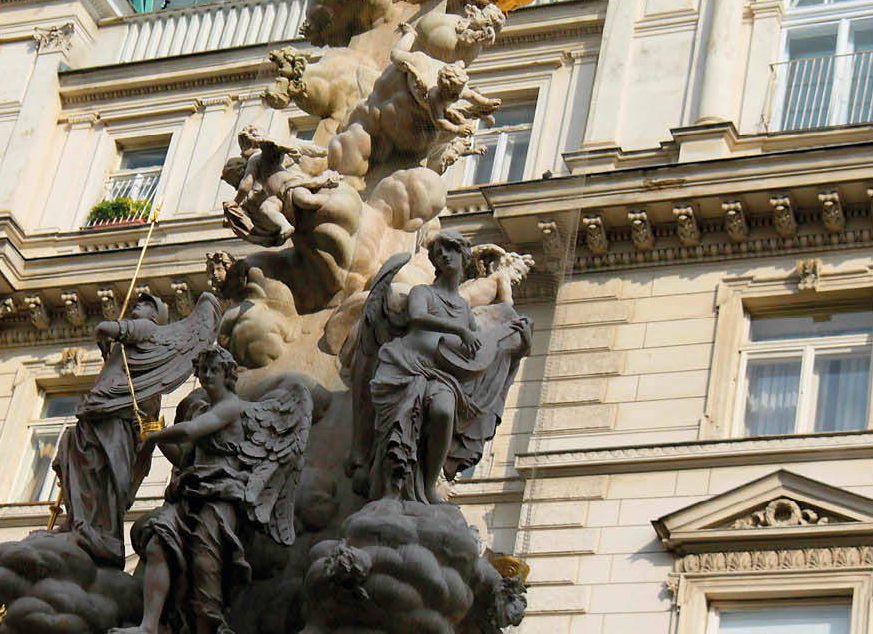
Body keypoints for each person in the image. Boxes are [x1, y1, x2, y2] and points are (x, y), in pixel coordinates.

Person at [112, 348, 312, 634]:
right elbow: (184, 458)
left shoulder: (232, 407)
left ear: (228, 374)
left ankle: (211, 626)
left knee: (204, 563)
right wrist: (149, 433)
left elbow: (193, 431)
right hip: (190, 491)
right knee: (158, 544)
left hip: (220, 495)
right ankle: (149, 626)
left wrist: (156, 433)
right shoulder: (205, 410)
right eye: (202, 370)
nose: (205, 376)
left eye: (212, 370)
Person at [350, 231, 533, 504]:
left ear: (464, 256)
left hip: (442, 375)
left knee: (444, 412)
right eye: (438, 252)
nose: (444, 256)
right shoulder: (422, 292)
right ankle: (390, 489)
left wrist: (517, 349)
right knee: (399, 430)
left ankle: (427, 487)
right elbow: (417, 316)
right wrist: (459, 328)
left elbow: (478, 352)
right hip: (407, 365)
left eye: (451, 250)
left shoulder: (462, 307)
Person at [50, 291, 219, 567]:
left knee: (100, 469)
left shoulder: (145, 328)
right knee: (84, 465)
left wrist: (104, 338)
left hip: (114, 413)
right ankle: (79, 523)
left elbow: (104, 327)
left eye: (145, 304)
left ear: (155, 315)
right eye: (138, 302)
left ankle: (96, 532)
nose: (137, 306)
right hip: (102, 411)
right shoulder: (132, 343)